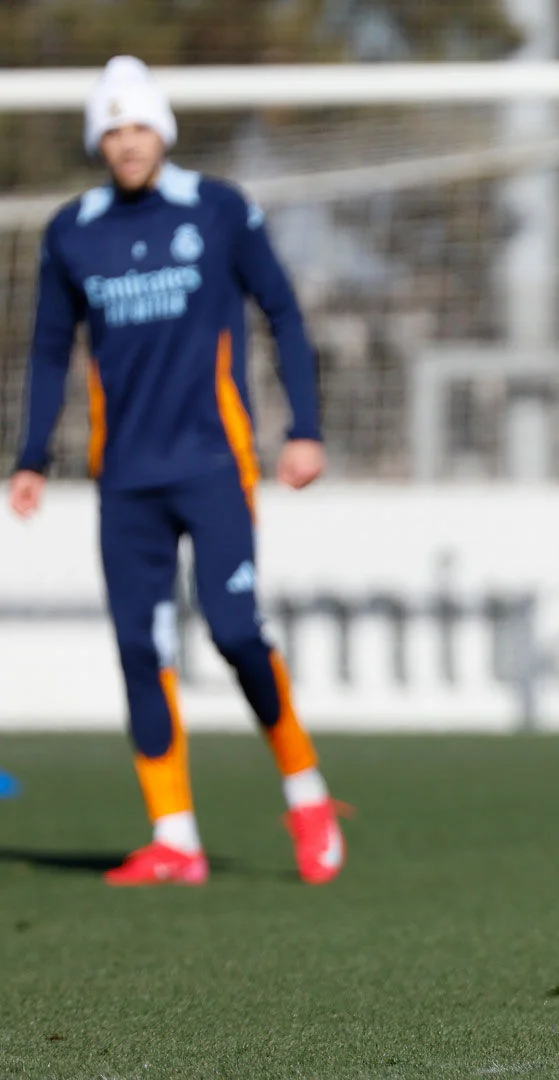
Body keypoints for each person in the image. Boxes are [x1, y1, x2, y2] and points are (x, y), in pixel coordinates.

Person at [7, 57, 345, 887]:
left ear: (162, 129)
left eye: (138, 125)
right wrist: (30, 457)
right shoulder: (72, 231)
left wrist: (304, 429)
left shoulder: (219, 209)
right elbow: (50, 352)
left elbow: (283, 313)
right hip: (124, 476)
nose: (127, 142)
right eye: (112, 129)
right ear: (99, 141)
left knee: (234, 629)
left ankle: (306, 793)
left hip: (213, 465)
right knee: (137, 646)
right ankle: (175, 838)